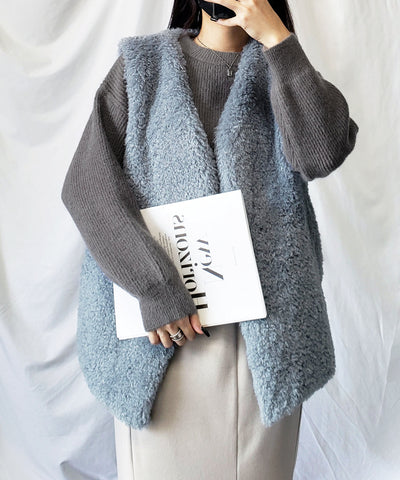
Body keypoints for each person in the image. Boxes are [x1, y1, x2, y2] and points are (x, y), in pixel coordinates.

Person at [61, 0, 359, 478]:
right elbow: (86, 186)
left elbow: (320, 153)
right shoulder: (140, 67)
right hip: (164, 336)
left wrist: (278, 40)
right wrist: (154, 287)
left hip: (267, 348)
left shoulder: (284, 71)